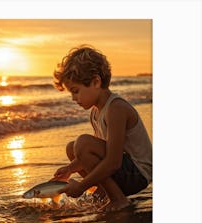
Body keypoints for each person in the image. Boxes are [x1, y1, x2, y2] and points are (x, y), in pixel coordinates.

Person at [52, 45, 152, 212]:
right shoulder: (95, 112)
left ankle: (117, 199)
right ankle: (105, 193)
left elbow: (113, 161)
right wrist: (70, 169)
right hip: (124, 170)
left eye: (76, 91)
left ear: (96, 82)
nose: (73, 98)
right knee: (73, 148)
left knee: (82, 143)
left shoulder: (116, 109)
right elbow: (94, 155)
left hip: (138, 174)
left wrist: (81, 186)